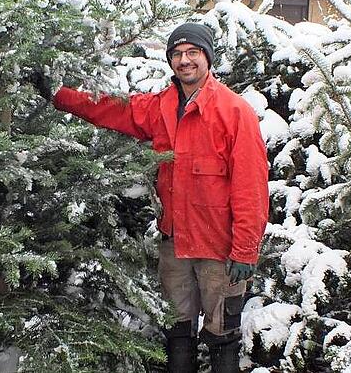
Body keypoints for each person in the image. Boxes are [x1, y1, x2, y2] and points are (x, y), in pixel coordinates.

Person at [39, 22, 269, 372]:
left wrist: (245, 250)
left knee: (223, 333)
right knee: (177, 329)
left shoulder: (234, 112)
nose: (184, 60)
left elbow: (251, 186)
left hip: (219, 248)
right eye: (177, 54)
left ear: (207, 57)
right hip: (174, 244)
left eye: (192, 52)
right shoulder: (161, 107)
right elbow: (110, 108)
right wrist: (59, 95)